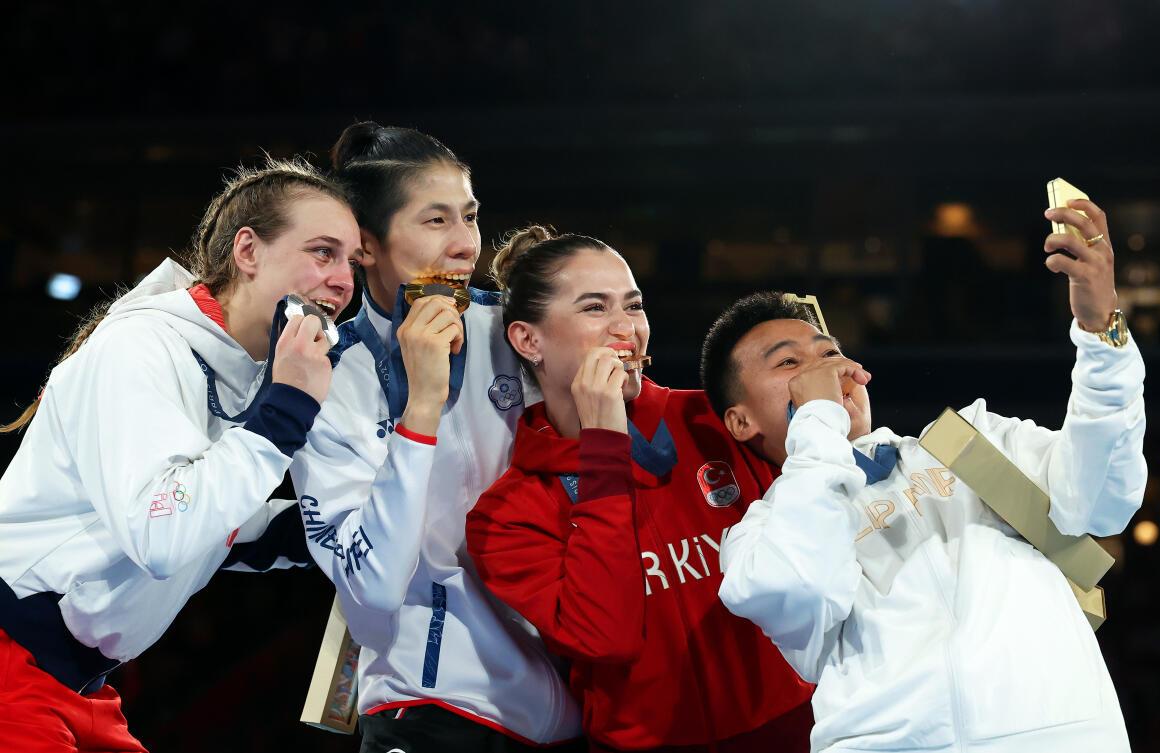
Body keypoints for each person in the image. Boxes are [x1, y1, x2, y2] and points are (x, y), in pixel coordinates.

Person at [703, 199, 1144, 752]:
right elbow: (802, 592)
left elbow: (1103, 502)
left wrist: (1100, 331)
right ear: (739, 420)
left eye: (830, 353)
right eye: (788, 364)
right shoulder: (755, 539)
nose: (826, 370)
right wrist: (817, 423)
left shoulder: (974, 441)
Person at [0, 156, 360, 751]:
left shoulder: (244, 375)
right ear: (248, 251)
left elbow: (213, 527)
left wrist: (333, 525)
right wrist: (286, 413)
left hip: (82, 685)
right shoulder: (140, 350)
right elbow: (163, 535)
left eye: (352, 262)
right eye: (323, 252)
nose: (344, 279)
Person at [288, 123, 582, 753]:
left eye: (470, 217)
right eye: (436, 221)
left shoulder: (518, 333)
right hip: (433, 708)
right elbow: (370, 595)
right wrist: (421, 405)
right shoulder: (327, 378)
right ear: (365, 245)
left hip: (577, 701)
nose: (462, 244)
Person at [465, 226, 815, 752]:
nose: (626, 329)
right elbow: (607, 636)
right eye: (594, 308)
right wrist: (603, 445)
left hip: (801, 728)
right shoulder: (506, 515)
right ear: (528, 340)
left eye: (633, 306)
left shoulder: (719, 420)